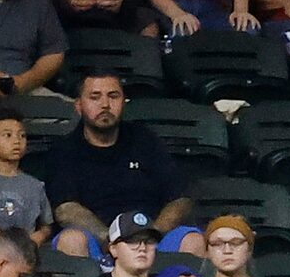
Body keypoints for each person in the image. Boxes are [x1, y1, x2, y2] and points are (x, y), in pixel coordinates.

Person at [44, 75, 187, 257]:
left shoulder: (146, 140)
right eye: (95, 97)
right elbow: (65, 210)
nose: (105, 104)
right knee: (71, 240)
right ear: (78, 106)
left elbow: (180, 199)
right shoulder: (64, 150)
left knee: (191, 239)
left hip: (151, 237)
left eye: (113, 96)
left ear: (123, 102)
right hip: (99, 241)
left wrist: (154, 233)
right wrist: (112, 240)